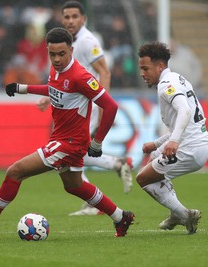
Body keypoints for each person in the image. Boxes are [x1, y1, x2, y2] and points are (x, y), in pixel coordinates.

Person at [0, 27, 134, 238]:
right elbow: (53, 88)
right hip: (61, 137)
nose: (56, 59)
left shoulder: (81, 76)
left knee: (15, 171)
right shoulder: (56, 69)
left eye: (61, 54)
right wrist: (23, 88)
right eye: (52, 54)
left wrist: (98, 142)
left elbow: (110, 106)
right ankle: (122, 217)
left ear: (71, 50)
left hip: (70, 143)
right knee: (74, 186)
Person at [36, 1, 133, 216]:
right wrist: (50, 95)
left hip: (85, 106)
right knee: (71, 150)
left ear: (83, 19)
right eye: (67, 17)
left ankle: (95, 199)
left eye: (74, 17)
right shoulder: (67, 41)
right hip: (72, 103)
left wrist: (102, 105)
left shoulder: (88, 41)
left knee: (68, 149)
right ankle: (116, 164)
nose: (70, 21)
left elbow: (104, 72)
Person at [136, 41, 208, 234]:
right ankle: (175, 213)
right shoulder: (179, 79)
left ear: (160, 66)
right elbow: (181, 120)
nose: (142, 73)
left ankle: (185, 216)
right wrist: (156, 144)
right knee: (153, 160)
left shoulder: (166, 85)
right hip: (199, 143)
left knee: (143, 178)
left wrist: (174, 141)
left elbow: (184, 110)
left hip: (189, 147)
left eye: (146, 68)